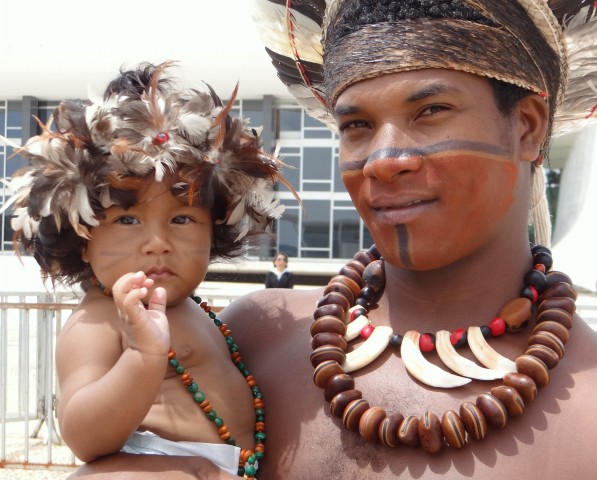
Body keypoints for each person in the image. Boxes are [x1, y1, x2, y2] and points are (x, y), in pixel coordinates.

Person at [58, 1, 597, 479]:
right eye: (357, 126)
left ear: (526, 126)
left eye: (430, 112)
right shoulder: (253, 337)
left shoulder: (586, 410)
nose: (384, 161)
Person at [1, 62, 293, 479]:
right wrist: (142, 355)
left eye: (182, 220)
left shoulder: (197, 310)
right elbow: (83, 436)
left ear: (214, 230)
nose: (158, 242)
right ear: (83, 241)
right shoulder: (100, 320)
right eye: (127, 220)